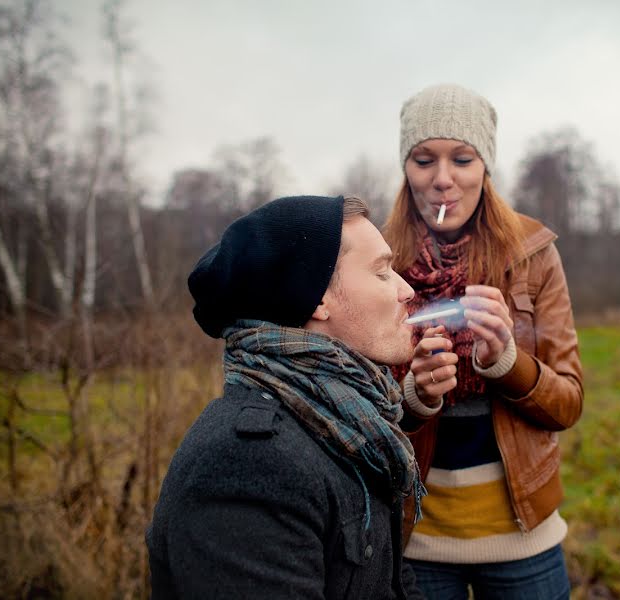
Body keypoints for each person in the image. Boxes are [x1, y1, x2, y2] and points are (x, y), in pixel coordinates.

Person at [146, 195, 431, 599]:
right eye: (382, 272)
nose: (407, 289)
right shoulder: (246, 464)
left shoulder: (356, 426)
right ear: (318, 298)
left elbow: (396, 588)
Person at [383, 83, 585, 600]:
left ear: (485, 168)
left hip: (524, 538)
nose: (443, 180)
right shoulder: (376, 261)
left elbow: (567, 403)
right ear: (406, 169)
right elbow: (356, 410)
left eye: (463, 159)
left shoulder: (534, 254)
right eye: (424, 159)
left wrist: (506, 362)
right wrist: (417, 397)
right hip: (415, 537)